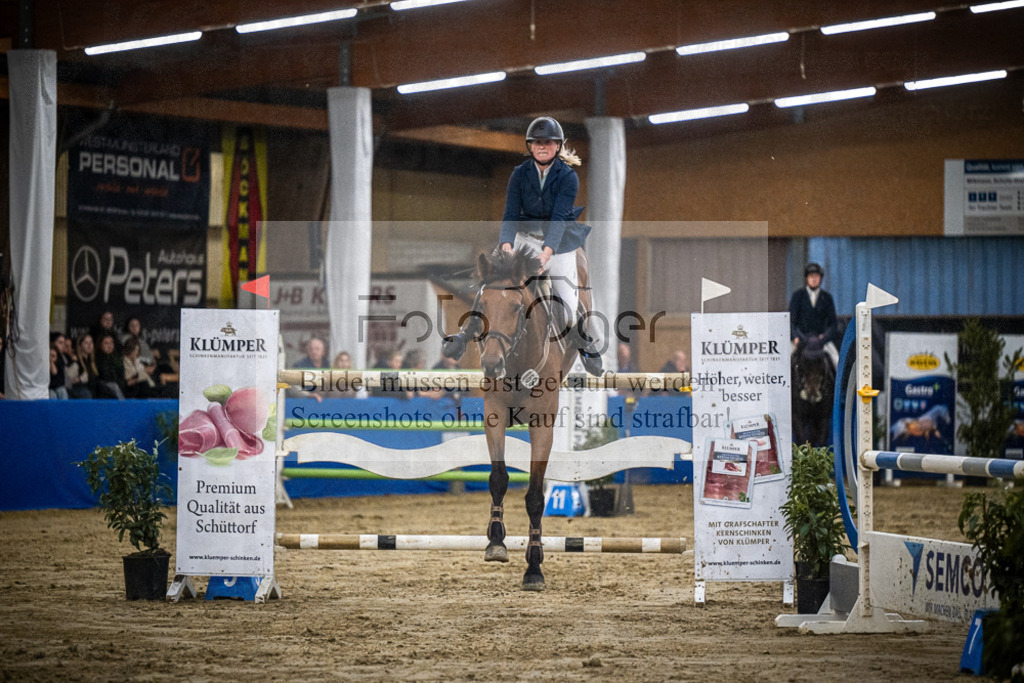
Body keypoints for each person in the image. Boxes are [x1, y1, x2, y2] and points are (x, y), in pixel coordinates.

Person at [442, 116, 603, 376]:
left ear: (558, 147)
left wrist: (547, 253)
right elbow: (510, 214)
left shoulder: (568, 177)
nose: (542, 147)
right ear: (530, 146)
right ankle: (464, 335)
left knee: (569, 302)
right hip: (523, 238)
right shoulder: (519, 174)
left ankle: (585, 344)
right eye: (537, 143)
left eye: (548, 143)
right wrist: (506, 245)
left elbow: (560, 217)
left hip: (558, 244)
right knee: (490, 282)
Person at [788, 262, 839, 368]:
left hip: (820, 340)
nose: (814, 279)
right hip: (801, 339)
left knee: (837, 361)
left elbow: (833, 324)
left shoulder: (827, 297)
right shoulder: (798, 296)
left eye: (816, 276)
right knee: (785, 361)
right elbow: (791, 321)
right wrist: (795, 337)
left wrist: (824, 337)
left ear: (820, 278)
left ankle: (837, 384)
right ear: (807, 278)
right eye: (811, 276)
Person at [95, 333, 126, 399]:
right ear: (100, 345)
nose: (109, 345)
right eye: (106, 343)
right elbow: (105, 375)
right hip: (103, 385)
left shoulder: (116, 358)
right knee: (114, 386)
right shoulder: (98, 358)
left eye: (111, 343)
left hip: (117, 384)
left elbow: (121, 374)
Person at [72, 334, 98, 399]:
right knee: (86, 393)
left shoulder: (93, 361)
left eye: (91, 342)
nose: (89, 345)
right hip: (79, 390)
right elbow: (69, 382)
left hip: (91, 389)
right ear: (80, 346)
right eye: (86, 343)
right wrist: (80, 379)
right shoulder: (76, 360)